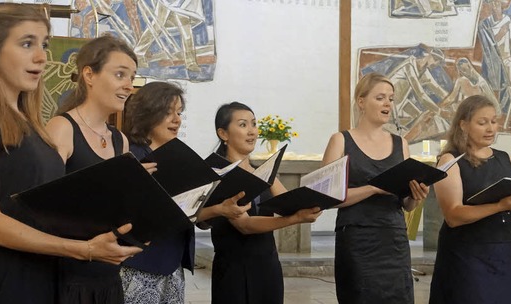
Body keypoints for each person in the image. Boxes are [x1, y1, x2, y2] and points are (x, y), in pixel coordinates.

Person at [0, 3, 141, 303]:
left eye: (44, 45)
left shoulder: (29, 125)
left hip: (44, 277)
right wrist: (83, 249)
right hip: (3, 279)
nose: (42, 57)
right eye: (27, 43)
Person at [120, 81, 251, 303]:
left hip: (172, 263)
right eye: (168, 112)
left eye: (179, 113)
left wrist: (219, 208)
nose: (177, 120)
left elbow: (181, 212)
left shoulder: (177, 158)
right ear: (147, 113)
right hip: (139, 264)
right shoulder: (131, 156)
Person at [46, 35, 142, 303]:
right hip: (70, 272)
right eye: (120, 74)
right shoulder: (62, 128)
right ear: (89, 74)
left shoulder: (118, 139)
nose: (128, 85)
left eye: (131, 77)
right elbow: (44, 209)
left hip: (108, 272)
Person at [322, 72, 429, 303]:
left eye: (391, 98)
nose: (388, 103)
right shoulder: (340, 141)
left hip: (394, 239)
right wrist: (373, 189)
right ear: (361, 101)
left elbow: (407, 205)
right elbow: (327, 198)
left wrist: (416, 196)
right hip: (357, 239)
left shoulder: (401, 144)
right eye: (380, 97)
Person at [208, 101, 323, 304]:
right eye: (243, 125)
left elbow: (290, 202)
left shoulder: (262, 171)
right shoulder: (217, 172)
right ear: (223, 134)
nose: (252, 131)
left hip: (267, 265)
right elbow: (245, 225)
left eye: (254, 124)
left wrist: (319, 197)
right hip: (234, 270)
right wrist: (293, 219)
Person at [428, 95, 511, 304]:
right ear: (464, 125)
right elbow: (453, 216)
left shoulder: (506, 159)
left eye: (494, 121)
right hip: (467, 255)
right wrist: (499, 206)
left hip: (505, 252)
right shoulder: (450, 160)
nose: (491, 128)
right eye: (482, 122)